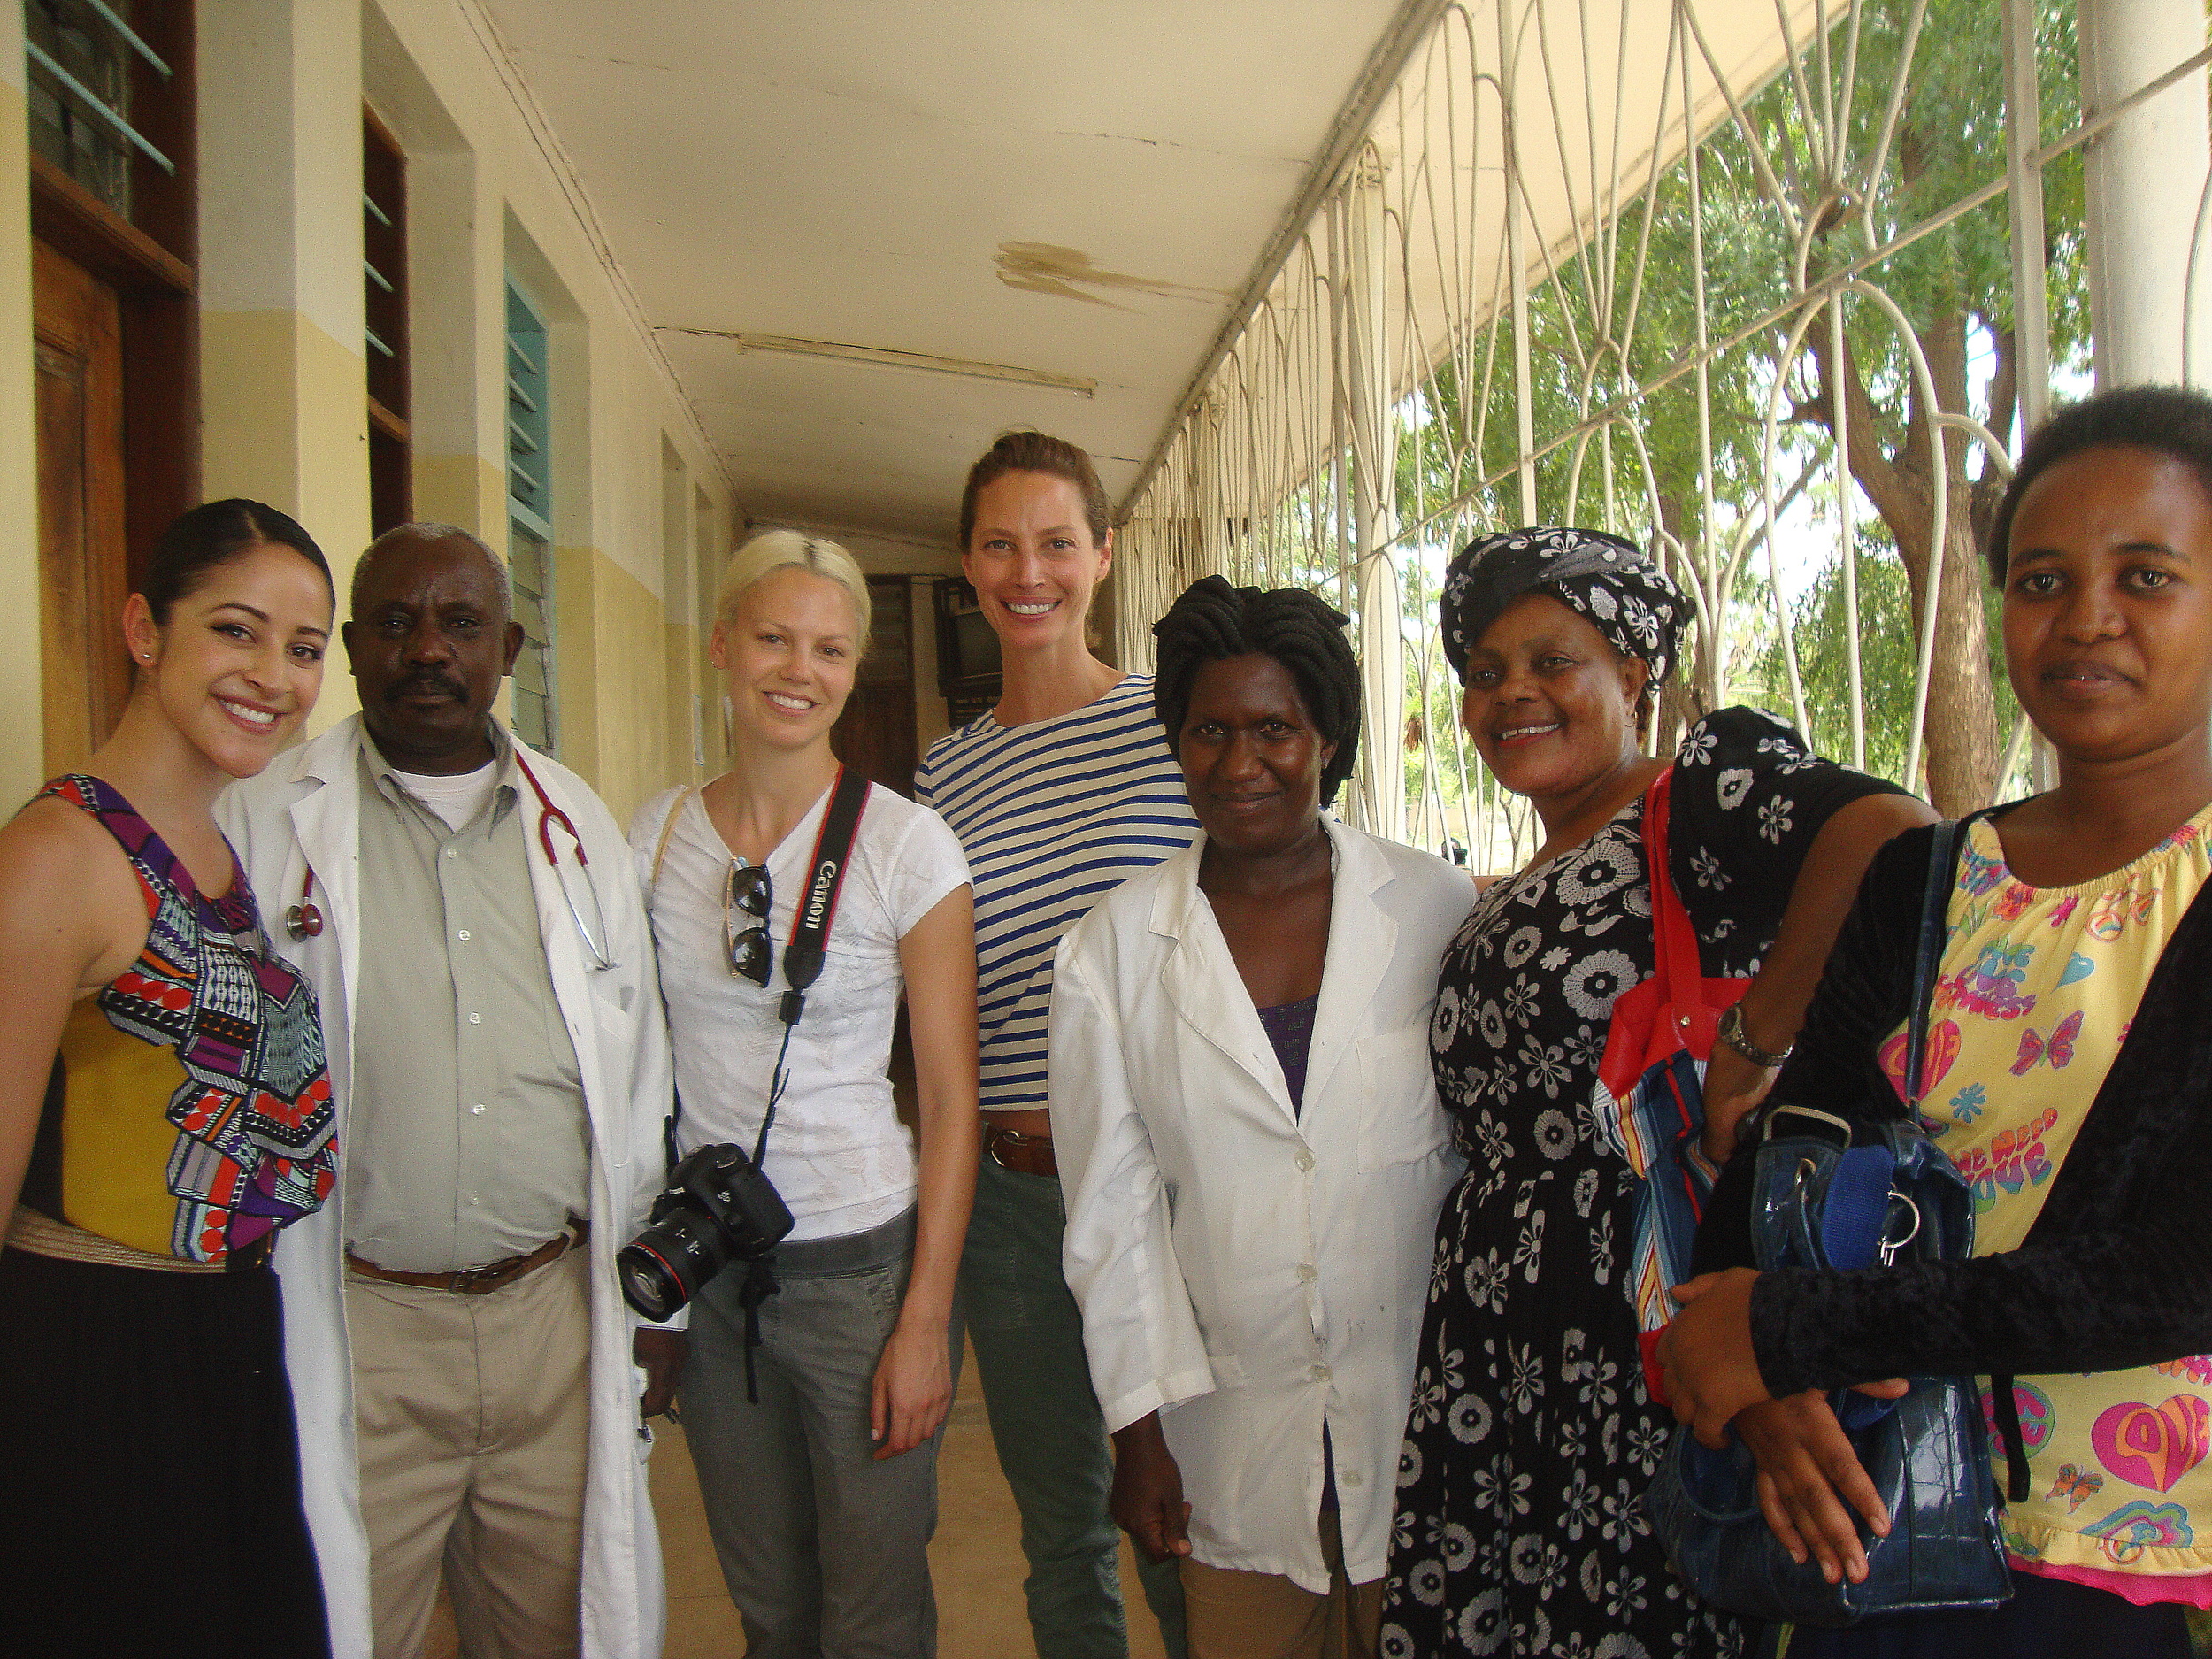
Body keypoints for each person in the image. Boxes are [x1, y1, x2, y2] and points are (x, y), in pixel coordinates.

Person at [1662, 386, 2212, 1656]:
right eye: (2038, 579)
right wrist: (1771, 1393)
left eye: (2146, 574)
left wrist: (1791, 1334)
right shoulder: (1935, 882)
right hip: (1899, 1524)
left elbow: (2175, 1274)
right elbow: (1783, 1158)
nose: (2085, 618)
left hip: (2153, 1565)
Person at [1379, 526, 1934, 1659]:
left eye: (1551, 661)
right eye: (1484, 673)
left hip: (1640, 1301)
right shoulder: (1520, 870)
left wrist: (1756, 1034)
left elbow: (1892, 831)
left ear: (1633, 675)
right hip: (1504, 1326)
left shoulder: (1702, 800)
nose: (1511, 694)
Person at [219, 522, 673, 1659]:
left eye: (460, 623)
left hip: (552, 1326)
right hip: (361, 1321)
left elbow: (638, 1076)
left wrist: (651, 1312)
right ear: (352, 649)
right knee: (340, 1626)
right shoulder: (264, 818)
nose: (429, 648)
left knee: (556, 1631)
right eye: (395, 621)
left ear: (507, 646)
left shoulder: (583, 831)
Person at [1052, 578, 1475, 1659]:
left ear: (1327, 738)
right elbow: (1112, 1216)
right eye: (1210, 731)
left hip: (1427, 1418)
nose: (1241, 765)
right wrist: (1138, 1432)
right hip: (1228, 1430)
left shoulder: (1436, 910)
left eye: (1275, 729)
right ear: (1176, 742)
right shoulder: (1112, 946)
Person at [0, 500, 340, 1655]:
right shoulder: (57, 856)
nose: (272, 675)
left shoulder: (217, 848)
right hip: (94, 1355)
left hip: (226, 1334)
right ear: (145, 629)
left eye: (302, 648)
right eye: (235, 630)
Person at [632, 528, 978, 1658]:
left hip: (863, 1274)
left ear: (852, 670)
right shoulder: (656, 837)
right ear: (723, 646)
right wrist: (666, 1306)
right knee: (771, 1608)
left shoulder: (906, 848)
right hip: (717, 1265)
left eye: (829, 649)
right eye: (774, 639)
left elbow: (949, 1098)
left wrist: (925, 1320)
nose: (798, 670)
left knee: (873, 1615)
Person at [915, 431, 1199, 1658]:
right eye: (999, 543)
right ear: (968, 565)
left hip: (1169, 1185)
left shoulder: (1174, 730)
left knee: (1185, 1515)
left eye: (1055, 541)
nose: (1027, 570)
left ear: (1102, 555)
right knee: (1064, 1533)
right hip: (1013, 1199)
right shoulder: (942, 772)